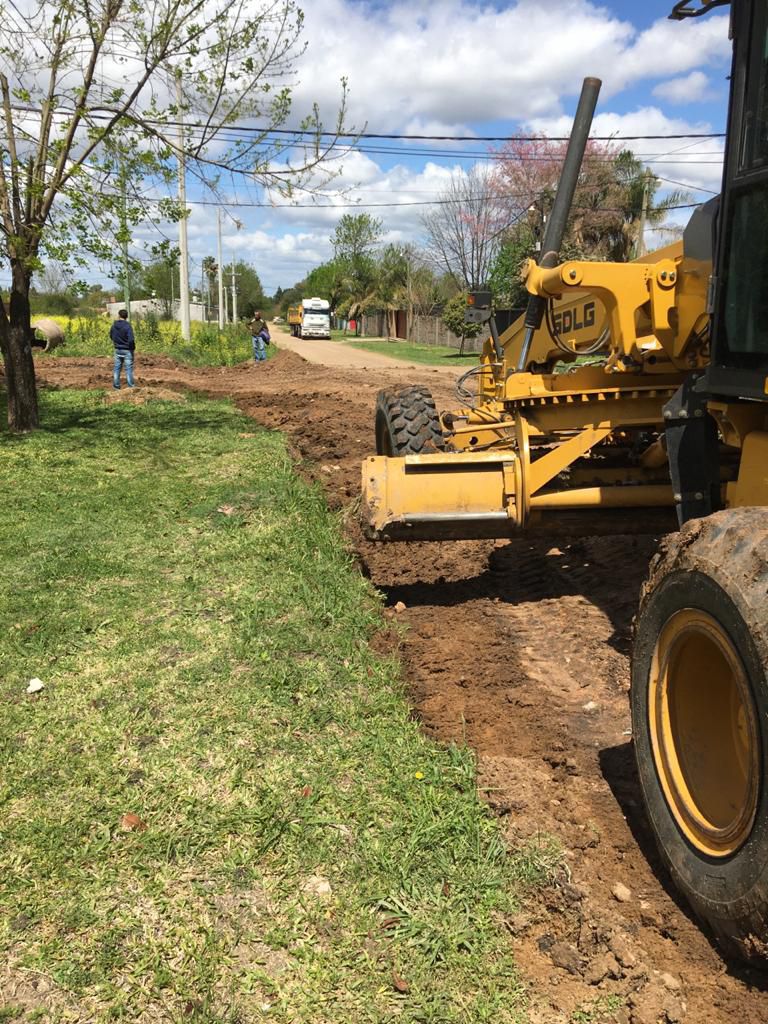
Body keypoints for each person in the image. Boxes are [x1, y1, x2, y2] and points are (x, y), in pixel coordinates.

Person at [110, 309, 136, 389]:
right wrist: (132, 347)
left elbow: (111, 335)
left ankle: (116, 387)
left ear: (119, 315)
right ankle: (130, 387)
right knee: (128, 369)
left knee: (117, 368)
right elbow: (131, 339)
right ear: (126, 316)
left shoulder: (114, 325)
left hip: (117, 349)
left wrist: (116, 343)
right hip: (127, 350)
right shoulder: (127, 326)